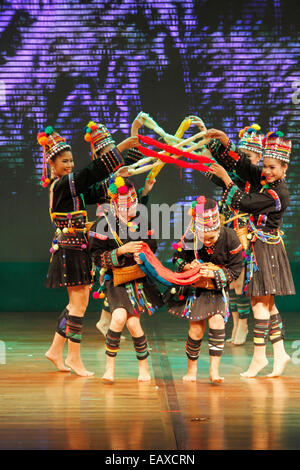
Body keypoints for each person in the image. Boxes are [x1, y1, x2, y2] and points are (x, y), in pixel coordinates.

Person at [39, 124, 139, 376]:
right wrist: (121, 148)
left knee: (76, 305)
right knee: (78, 306)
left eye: (71, 160)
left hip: (76, 248)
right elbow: (90, 174)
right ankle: (73, 357)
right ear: (52, 164)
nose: (70, 165)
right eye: (64, 161)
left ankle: (55, 351)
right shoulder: (62, 185)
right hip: (70, 249)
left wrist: (121, 175)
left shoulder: (71, 189)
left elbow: (98, 188)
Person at [207, 128, 295, 377]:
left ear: (284, 169)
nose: (266, 171)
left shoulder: (278, 193)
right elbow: (246, 167)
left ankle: (259, 358)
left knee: (259, 303)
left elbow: (244, 203)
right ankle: (279, 354)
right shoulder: (267, 181)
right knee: (269, 305)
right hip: (262, 247)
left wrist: (226, 179)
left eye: (272, 168)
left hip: (264, 250)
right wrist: (226, 143)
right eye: (265, 166)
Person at [88, 174, 162, 383]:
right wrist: (120, 251)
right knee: (119, 318)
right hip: (115, 279)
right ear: (114, 204)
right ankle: (109, 367)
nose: (129, 208)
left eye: (132, 203)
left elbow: (152, 248)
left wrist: (143, 256)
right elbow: (96, 257)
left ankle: (144, 367)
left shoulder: (142, 222)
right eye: (125, 205)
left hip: (137, 280)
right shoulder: (104, 225)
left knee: (134, 326)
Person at [164, 196, 243, 383]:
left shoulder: (230, 237)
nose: (206, 242)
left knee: (217, 323)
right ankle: (191, 370)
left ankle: (214, 371)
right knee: (196, 330)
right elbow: (177, 259)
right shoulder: (191, 236)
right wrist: (187, 266)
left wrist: (214, 274)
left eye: (211, 238)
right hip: (197, 290)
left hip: (217, 289)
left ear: (218, 230)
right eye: (203, 238)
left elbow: (236, 269)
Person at [206, 124, 264, 345]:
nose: (245, 161)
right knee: (228, 282)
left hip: (246, 233)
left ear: (258, 156)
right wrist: (209, 144)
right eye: (244, 156)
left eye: (249, 156)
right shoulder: (237, 174)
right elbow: (214, 170)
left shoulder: (258, 177)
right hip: (227, 230)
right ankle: (237, 323)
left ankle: (243, 324)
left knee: (239, 283)